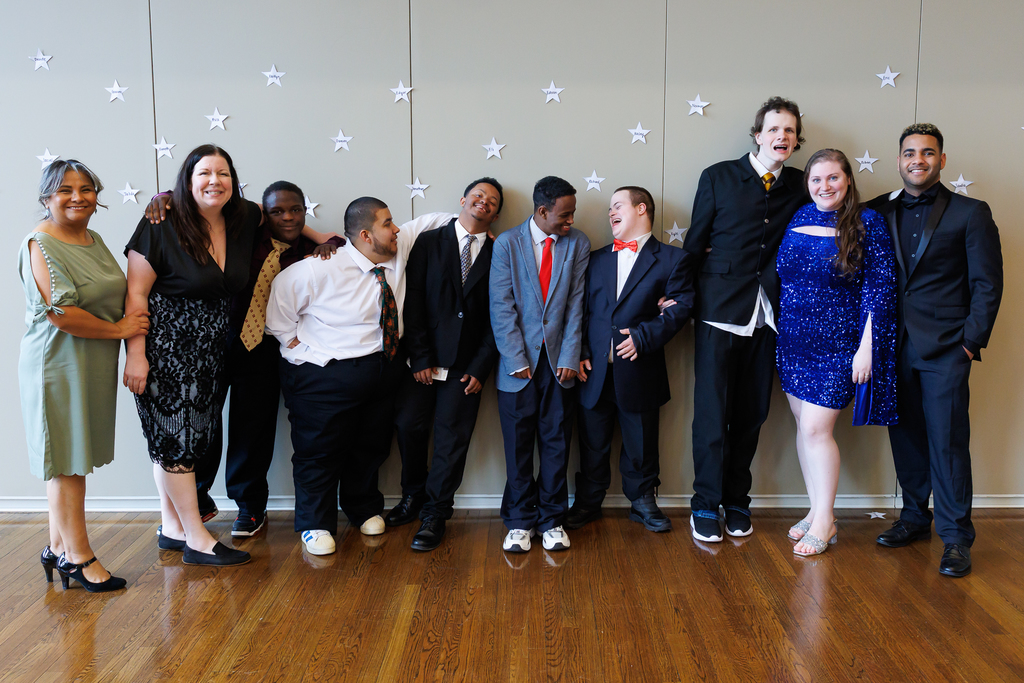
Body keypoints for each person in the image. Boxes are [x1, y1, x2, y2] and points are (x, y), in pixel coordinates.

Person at [265, 198, 453, 556]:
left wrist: (476, 225)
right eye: (388, 223)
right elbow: (279, 317)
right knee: (319, 451)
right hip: (324, 376)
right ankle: (315, 523)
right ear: (366, 235)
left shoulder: (396, 251)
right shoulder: (317, 269)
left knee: (370, 446)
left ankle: (362, 507)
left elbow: (436, 218)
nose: (396, 228)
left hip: (382, 369)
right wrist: (303, 351)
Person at [866, 124, 1002, 577]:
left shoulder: (970, 212)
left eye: (927, 153)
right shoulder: (876, 212)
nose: (917, 160)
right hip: (891, 348)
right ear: (899, 159)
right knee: (904, 439)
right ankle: (914, 519)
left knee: (946, 443)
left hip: (946, 349)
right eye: (909, 153)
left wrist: (969, 344)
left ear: (942, 160)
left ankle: (957, 538)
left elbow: (987, 284)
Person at [124, 144, 257, 567]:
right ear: (187, 180)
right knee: (178, 441)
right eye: (203, 173)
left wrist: (322, 238)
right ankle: (197, 538)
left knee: (181, 441)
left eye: (223, 173)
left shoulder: (243, 219)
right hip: (166, 351)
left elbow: (281, 221)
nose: (214, 181)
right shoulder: (159, 224)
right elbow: (136, 296)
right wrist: (136, 356)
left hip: (211, 353)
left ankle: (172, 527)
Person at [19, 160, 149, 592]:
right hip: (56, 362)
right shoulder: (41, 243)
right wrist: (120, 331)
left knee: (72, 460)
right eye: (65, 190)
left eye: (86, 188)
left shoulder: (92, 239)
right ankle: (79, 557)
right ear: (46, 197)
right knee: (67, 465)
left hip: (91, 361)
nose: (77, 196)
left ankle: (57, 548)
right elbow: (63, 314)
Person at [682, 96, 808, 542]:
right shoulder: (718, 176)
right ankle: (704, 504)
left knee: (752, 415)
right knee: (712, 415)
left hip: (769, 315)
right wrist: (679, 300)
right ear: (758, 135)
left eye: (790, 131)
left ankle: (737, 500)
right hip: (718, 311)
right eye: (774, 129)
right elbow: (695, 244)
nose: (782, 137)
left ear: (797, 140)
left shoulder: (800, 184)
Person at [193, 181, 341, 538]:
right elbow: (195, 207)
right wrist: (161, 198)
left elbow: (341, 244)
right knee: (203, 423)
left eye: (295, 211)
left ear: (306, 212)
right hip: (217, 340)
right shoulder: (244, 233)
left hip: (264, 349)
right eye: (277, 211)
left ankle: (249, 507)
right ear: (263, 213)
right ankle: (194, 501)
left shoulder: (315, 250)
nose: (287, 217)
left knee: (253, 430)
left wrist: (325, 241)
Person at [776, 149, 897, 557]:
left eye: (832, 178)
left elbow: (878, 291)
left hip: (839, 346)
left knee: (815, 430)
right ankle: (816, 511)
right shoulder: (798, 216)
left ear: (848, 180)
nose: (823, 187)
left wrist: (866, 348)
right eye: (816, 180)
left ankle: (826, 522)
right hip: (793, 343)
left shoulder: (868, 222)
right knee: (802, 427)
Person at [568, 186, 694, 533]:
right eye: (609, 208)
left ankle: (642, 501)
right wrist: (578, 352)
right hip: (593, 370)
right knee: (592, 442)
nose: (610, 213)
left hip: (640, 370)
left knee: (641, 441)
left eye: (617, 206)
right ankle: (588, 501)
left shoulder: (673, 259)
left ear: (641, 209)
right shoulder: (595, 259)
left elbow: (681, 308)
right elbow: (579, 310)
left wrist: (643, 336)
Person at [391, 179, 503, 552]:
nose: (483, 202)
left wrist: (481, 366)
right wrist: (419, 356)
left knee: (452, 441)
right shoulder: (428, 241)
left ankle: (436, 513)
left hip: (466, 368)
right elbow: (413, 301)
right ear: (463, 200)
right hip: (422, 362)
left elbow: (500, 316)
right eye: (478, 196)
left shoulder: (500, 251)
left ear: (496, 212)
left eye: (492, 201)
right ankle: (412, 498)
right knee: (409, 427)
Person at [490, 176, 590, 553]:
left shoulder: (577, 243)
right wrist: (515, 359)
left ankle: (552, 519)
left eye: (573, 215)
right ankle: (518, 521)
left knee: (556, 444)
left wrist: (568, 355)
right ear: (542, 211)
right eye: (564, 216)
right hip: (517, 366)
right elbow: (501, 307)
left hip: (559, 365)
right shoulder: (507, 244)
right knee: (517, 446)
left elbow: (576, 304)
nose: (570, 222)